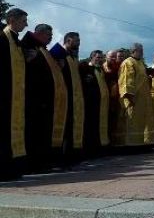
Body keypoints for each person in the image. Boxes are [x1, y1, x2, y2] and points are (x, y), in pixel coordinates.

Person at [21, 24, 67, 172]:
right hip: (35, 99)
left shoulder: (45, 51)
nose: (51, 38)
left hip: (47, 101)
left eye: (51, 35)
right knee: (35, 132)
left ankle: (44, 162)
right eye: (48, 35)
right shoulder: (30, 46)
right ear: (39, 34)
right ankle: (34, 164)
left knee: (44, 132)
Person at [0, 8, 28, 180]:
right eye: (23, 21)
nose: (26, 24)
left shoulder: (17, 42)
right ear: (12, 20)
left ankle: (13, 168)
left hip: (16, 97)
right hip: (4, 96)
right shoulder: (2, 38)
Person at [50, 32, 85, 164]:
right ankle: (60, 158)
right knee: (64, 128)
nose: (79, 43)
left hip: (74, 98)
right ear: (68, 40)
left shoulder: (74, 57)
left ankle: (71, 156)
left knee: (72, 127)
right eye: (76, 41)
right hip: (63, 97)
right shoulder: (57, 53)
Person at [113, 43, 154, 149]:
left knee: (140, 122)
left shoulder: (140, 62)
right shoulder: (128, 63)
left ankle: (140, 144)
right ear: (133, 51)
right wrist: (130, 96)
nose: (142, 53)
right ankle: (129, 145)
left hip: (142, 99)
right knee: (131, 121)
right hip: (132, 98)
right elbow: (126, 80)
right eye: (140, 51)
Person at [79, 50, 110, 157]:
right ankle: (90, 150)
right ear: (92, 57)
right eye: (98, 57)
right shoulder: (85, 69)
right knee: (91, 127)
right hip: (91, 104)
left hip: (102, 104)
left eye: (101, 58)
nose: (100, 60)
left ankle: (100, 148)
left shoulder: (101, 70)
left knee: (100, 126)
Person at [102, 50, 120, 146]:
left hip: (115, 99)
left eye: (115, 57)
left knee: (113, 122)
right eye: (111, 56)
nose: (113, 58)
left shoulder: (118, 67)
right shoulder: (102, 67)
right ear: (106, 57)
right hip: (104, 98)